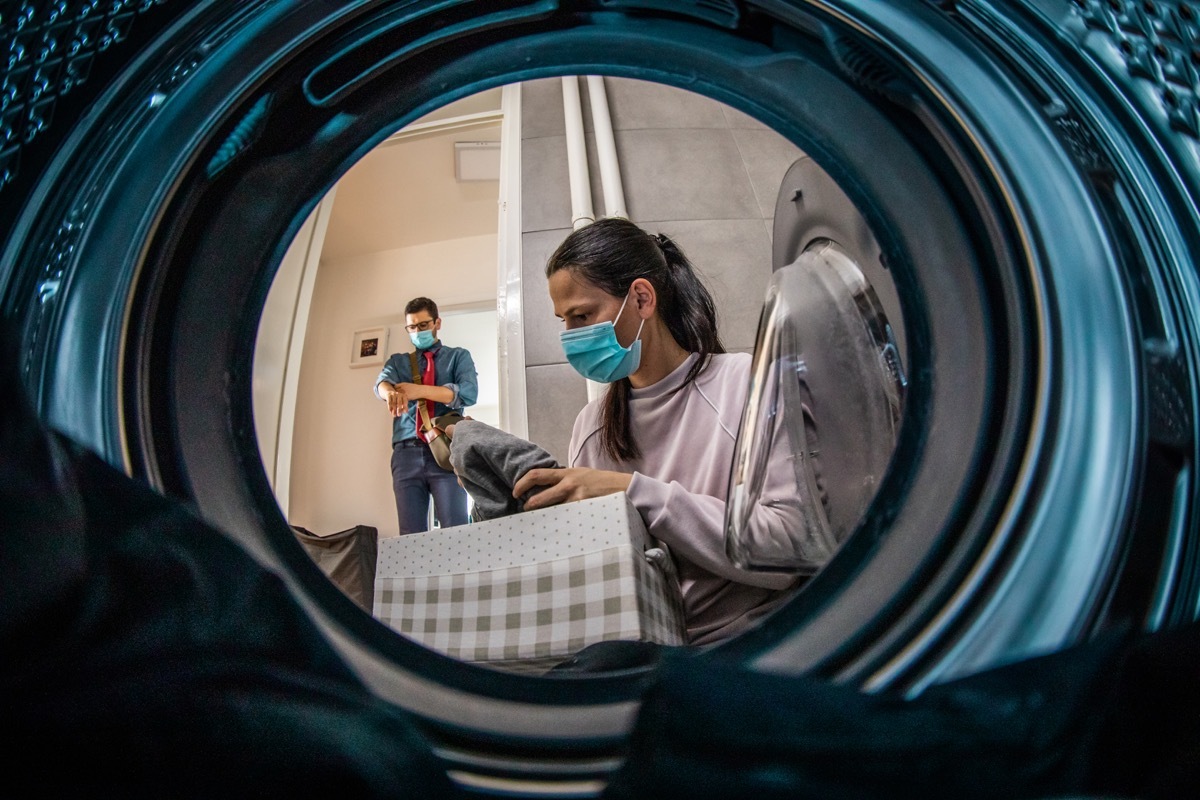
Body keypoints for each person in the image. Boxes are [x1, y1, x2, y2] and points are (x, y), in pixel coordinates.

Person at [513, 218, 801, 646]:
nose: (570, 338)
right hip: (642, 656)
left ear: (642, 299)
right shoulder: (591, 426)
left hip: (757, 642)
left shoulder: (747, 383)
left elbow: (789, 549)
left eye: (582, 316)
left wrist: (635, 492)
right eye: (564, 322)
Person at [375, 297, 478, 534]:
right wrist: (390, 392)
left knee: (456, 530)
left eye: (423, 325)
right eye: (412, 327)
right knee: (410, 535)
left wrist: (416, 390)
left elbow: (469, 394)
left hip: (445, 450)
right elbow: (381, 383)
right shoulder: (398, 362)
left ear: (437, 323)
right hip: (405, 453)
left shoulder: (458, 356)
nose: (417, 331)